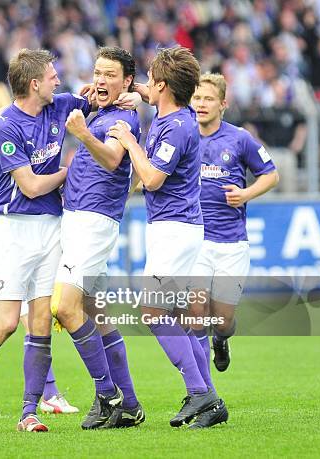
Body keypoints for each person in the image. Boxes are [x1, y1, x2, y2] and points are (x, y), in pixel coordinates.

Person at [0, 48, 91, 433]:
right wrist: (69, 172)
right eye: (52, 76)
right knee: (7, 322)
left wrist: (135, 93)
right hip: (11, 229)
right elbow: (29, 186)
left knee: (42, 321)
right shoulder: (5, 126)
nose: (58, 81)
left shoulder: (60, 107)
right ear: (34, 84)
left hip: (50, 226)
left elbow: (97, 96)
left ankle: (28, 412)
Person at [108, 46, 221, 428]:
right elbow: (154, 90)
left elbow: (152, 178)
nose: (147, 86)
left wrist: (128, 139)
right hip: (176, 227)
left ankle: (199, 392)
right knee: (175, 314)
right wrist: (138, 92)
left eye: (152, 81)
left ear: (165, 86)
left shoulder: (177, 126)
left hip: (175, 229)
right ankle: (209, 400)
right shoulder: (171, 111)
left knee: (152, 311)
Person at [51, 46, 144, 429]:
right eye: (98, 73)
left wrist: (83, 133)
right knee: (95, 313)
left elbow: (111, 159)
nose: (101, 80)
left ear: (127, 82)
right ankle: (131, 404)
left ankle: (107, 394)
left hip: (94, 222)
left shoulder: (125, 118)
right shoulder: (103, 110)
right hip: (77, 218)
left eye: (110, 74)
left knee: (63, 307)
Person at [0, 148, 78, 416]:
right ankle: (45, 393)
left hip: (10, 249)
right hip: (3, 252)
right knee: (8, 325)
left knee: (15, 324)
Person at [188, 74, 278, 383]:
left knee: (222, 320)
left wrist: (245, 194)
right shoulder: (183, 134)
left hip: (231, 243)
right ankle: (203, 391)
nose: (201, 104)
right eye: (197, 97)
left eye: (208, 99)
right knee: (195, 313)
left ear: (223, 104)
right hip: (195, 239)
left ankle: (221, 339)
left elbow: (271, 174)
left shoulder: (239, 138)